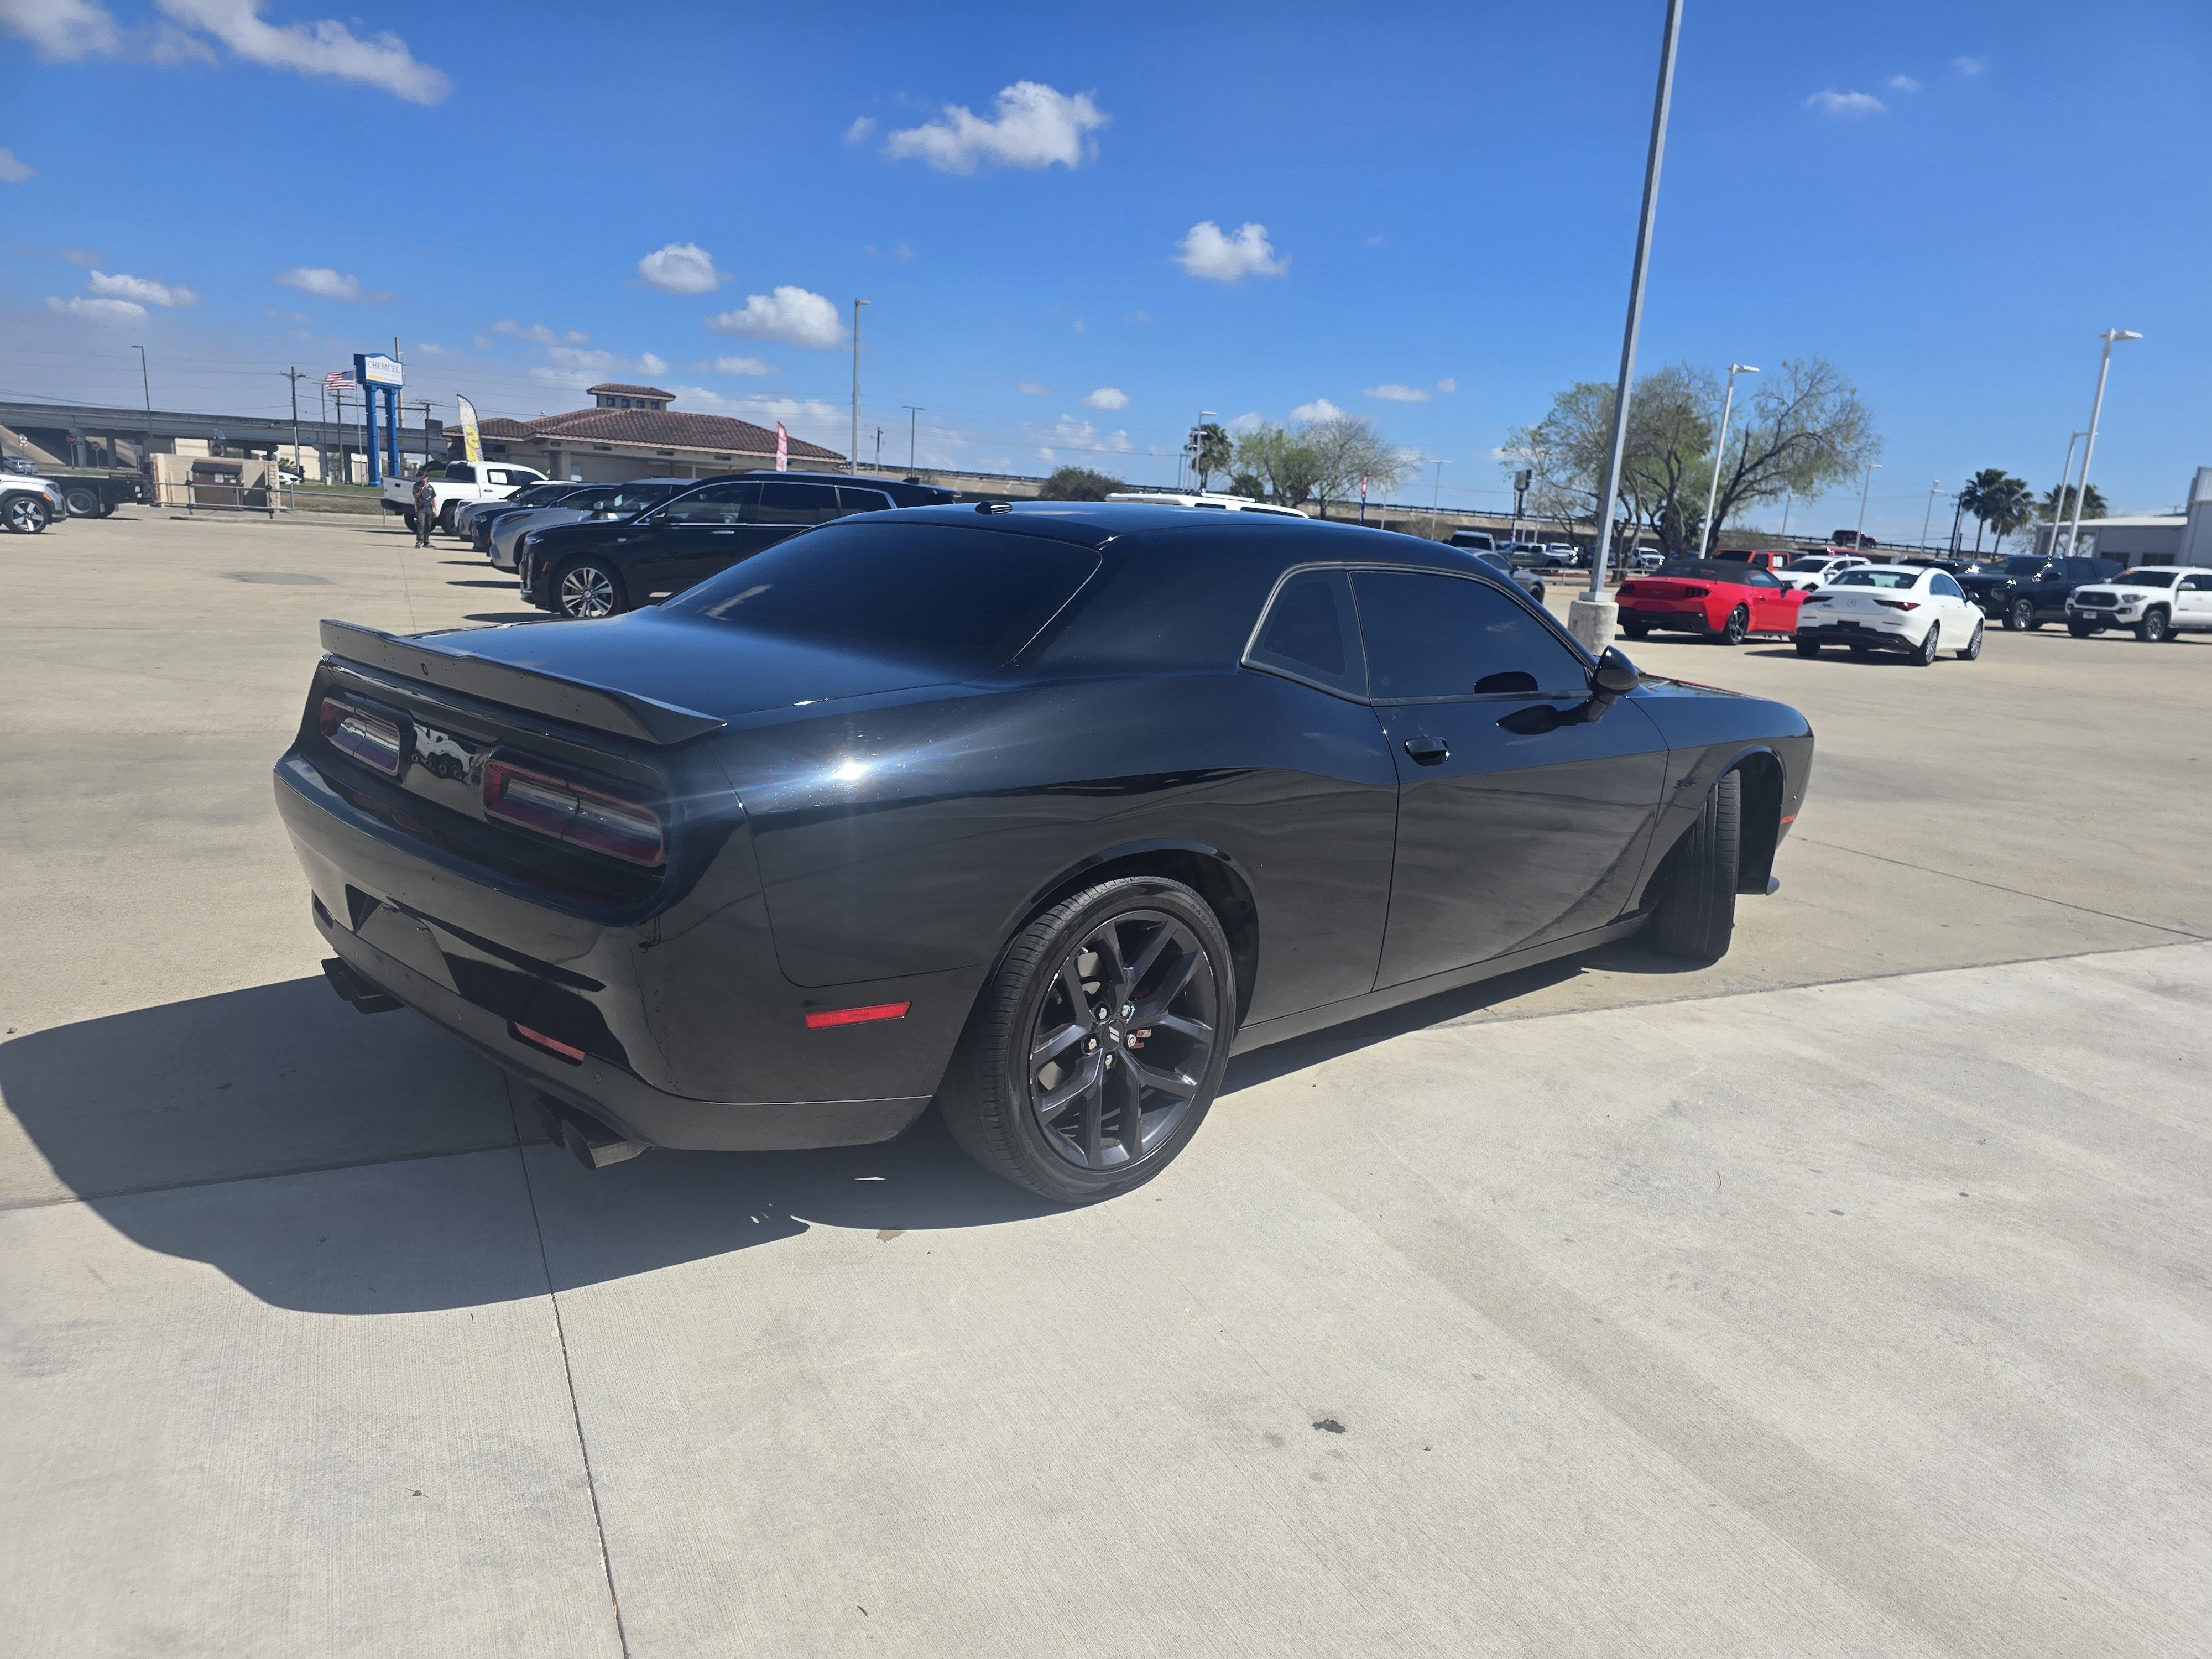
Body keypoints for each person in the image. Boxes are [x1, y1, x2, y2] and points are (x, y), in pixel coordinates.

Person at [411, 470, 436, 546]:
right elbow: (416, 496)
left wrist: (435, 509)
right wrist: (422, 490)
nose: (423, 479)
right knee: (421, 525)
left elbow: (433, 499)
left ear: (427, 478)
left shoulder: (431, 488)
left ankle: (427, 541)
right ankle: (420, 541)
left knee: (428, 526)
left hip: (429, 509)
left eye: (424, 478)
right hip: (421, 509)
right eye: (422, 478)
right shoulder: (417, 486)